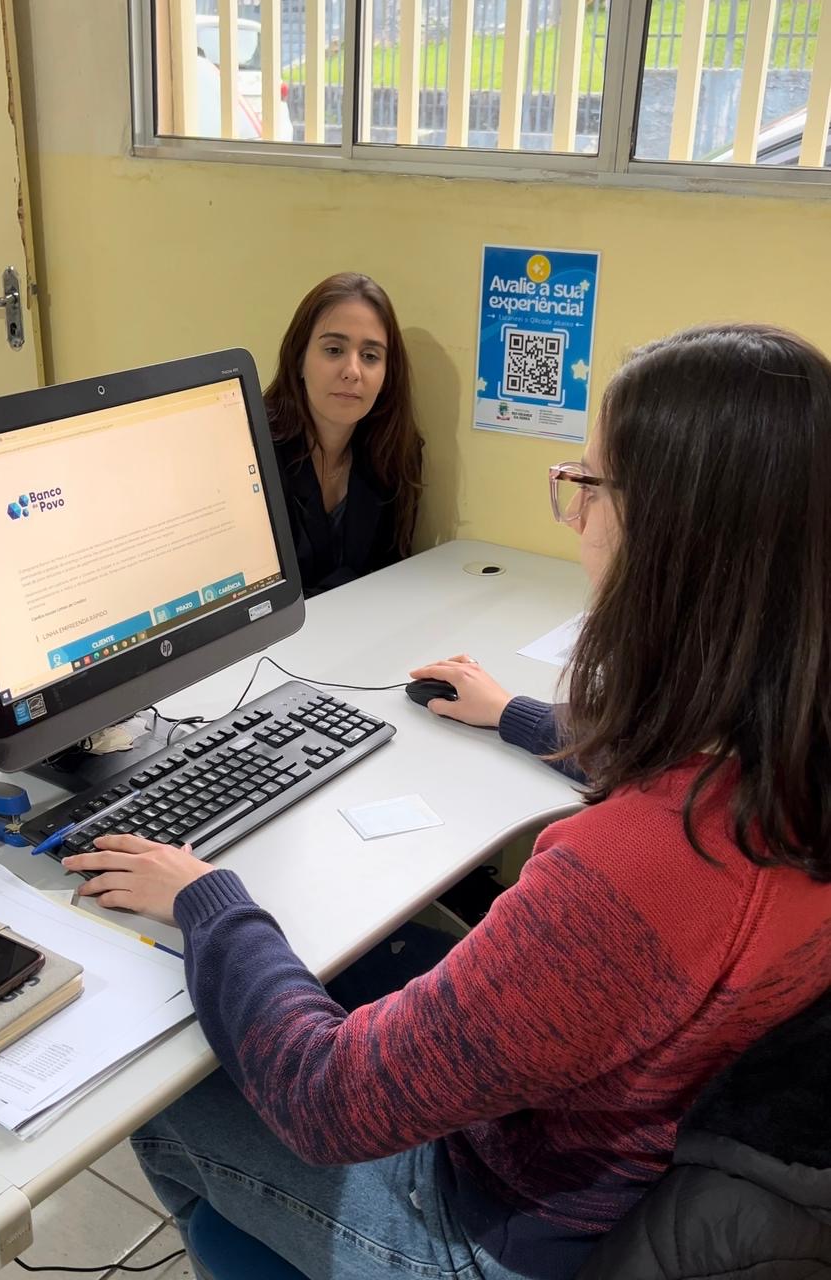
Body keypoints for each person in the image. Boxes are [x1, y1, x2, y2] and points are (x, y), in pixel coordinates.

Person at [62, 324, 831, 1280]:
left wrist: (205, 898)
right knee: (351, 961)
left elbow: (325, 1100)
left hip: (492, 1232)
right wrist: (517, 715)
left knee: (168, 1087)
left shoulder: (631, 876)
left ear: (678, 541)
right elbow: (683, 771)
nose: (576, 518)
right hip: (634, 1160)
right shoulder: (791, 761)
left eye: (589, 486)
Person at [263, 272, 423, 596]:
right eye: (334, 350)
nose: (352, 371)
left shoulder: (394, 452)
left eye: (370, 356)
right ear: (299, 359)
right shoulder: (253, 449)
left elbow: (390, 576)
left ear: (387, 375)